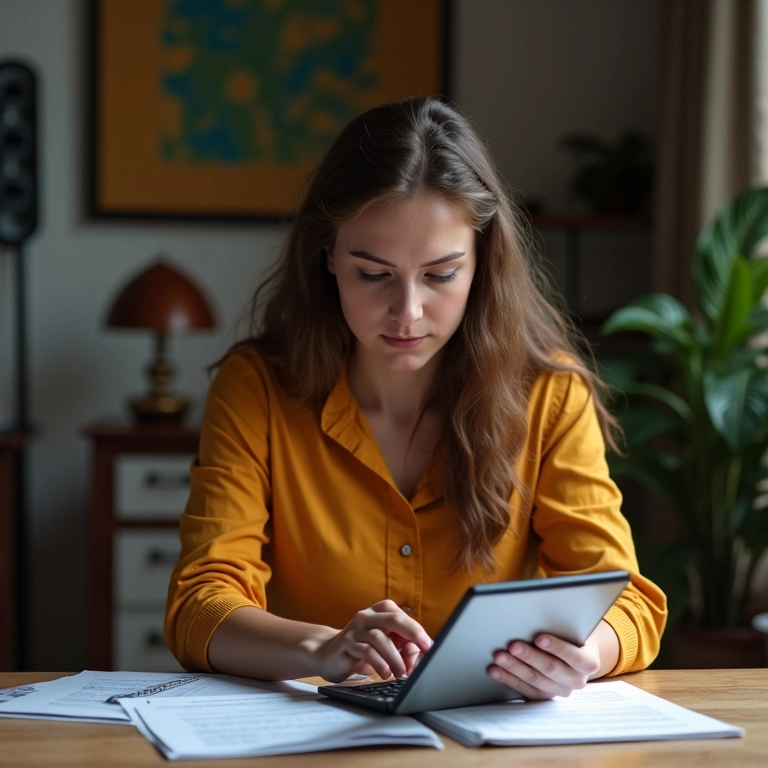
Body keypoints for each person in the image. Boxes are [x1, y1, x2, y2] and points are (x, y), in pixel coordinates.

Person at [165, 97, 667, 701]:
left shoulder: (551, 396)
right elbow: (200, 604)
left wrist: (584, 653)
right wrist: (322, 649)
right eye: (373, 274)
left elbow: (624, 600)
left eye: (441, 274)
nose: (407, 312)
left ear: (482, 263)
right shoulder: (257, 390)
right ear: (327, 257)